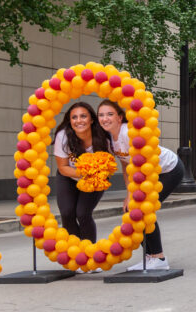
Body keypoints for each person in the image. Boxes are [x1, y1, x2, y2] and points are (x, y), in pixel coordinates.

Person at [97, 100, 183, 271]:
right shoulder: (109, 139)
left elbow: (143, 163)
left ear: (120, 118)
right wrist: (129, 194)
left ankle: (159, 258)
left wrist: (136, 195)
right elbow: (125, 164)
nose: (105, 118)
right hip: (144, 174)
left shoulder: (128, 133)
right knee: (133, 212)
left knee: (143, 211)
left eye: (109, 114)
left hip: (168, 169)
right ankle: (149, 257)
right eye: (101, 115)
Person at [53, 102, 112, 243]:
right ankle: (77, 252)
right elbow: (63, 167)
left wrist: (94, 175)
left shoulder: (104, 136)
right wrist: (87, 171)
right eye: (74, 117)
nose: (79, 120)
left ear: (91, 119)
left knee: (83, 213)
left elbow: (109, 165)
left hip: (96, 178)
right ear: (70, 121)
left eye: (83, 116)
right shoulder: (63, 136)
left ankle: (89, 253)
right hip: (68, 176)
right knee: (67, 213)